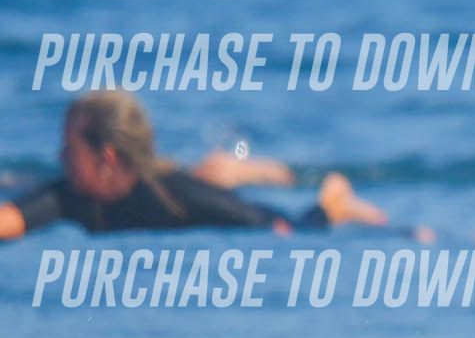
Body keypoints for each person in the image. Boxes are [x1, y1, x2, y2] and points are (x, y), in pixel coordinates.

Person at [0, 90, 398, 240]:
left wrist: (319, 216)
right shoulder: (69, 195)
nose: (60, 157)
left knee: (306, 222)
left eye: (69, 149)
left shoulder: (173, 194)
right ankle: (228, 169)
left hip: (256, 212)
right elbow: (12, 221)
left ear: (107, 157)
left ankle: (335, 200)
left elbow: (277, 227)